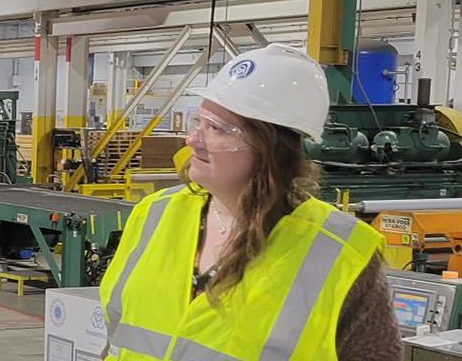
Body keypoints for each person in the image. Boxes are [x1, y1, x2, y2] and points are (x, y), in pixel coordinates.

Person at [97, 43, 401, 361]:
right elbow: (117, 339)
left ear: (271, 147)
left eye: (218, 129)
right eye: (197, 122)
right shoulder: (154, 214)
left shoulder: (338, 253)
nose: (193, 141)